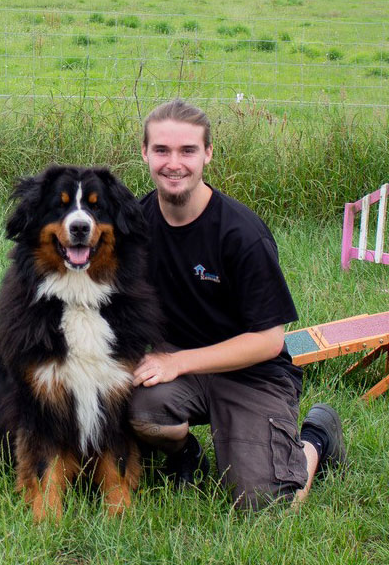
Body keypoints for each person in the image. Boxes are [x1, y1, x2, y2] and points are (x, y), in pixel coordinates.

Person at [129, 99, 346, 510]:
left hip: (253, 373)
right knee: (136, 410)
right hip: (180, 365)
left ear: (208, 153)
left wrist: (179, 362)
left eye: (188, 150)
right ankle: (185, 456)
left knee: (265, 504)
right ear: (144, 153)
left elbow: (269, 341)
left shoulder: (241, 233)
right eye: (162, 150)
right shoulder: (136, 224)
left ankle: (316, 438)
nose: (174, 163)